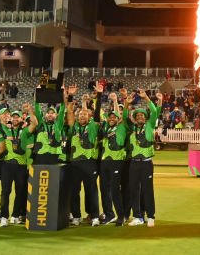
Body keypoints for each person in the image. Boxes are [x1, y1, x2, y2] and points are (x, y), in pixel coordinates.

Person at [0, 100, 30, 226]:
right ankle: (4, 216)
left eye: (16, 116)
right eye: (13, 116)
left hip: (22, 165)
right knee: (5, 191)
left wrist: (29, 112)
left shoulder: (24, 129)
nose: (14, 118)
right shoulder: (2, 128)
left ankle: (15, 215)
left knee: (20, 191)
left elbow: (34, 123)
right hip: (7, 165)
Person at [66, 85, 101, 226]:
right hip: (74, 163)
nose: (82, 116)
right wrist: (70, 96)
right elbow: (69, 112)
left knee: (91, 190)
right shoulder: (73, 127)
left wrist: (99, 94)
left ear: (89, 117)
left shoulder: (92, 127)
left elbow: (97, 114)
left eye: (85, 114)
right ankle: (76, 216)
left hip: (89, 162)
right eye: (80, 114)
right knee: (74, 191)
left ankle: (94, 216)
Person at [127, 89, 163, 226]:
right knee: (134, 190)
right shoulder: (132, 128)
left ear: (145, 118)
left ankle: (151, 216)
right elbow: (125, 115)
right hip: (134, 163)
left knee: (148, 189)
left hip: (146, 163)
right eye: (138, 116)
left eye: (142, 115)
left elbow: (154, 112)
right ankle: (137, 216)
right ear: (135, 118)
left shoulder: (149, 125)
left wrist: (146, 98)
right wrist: (127, 103)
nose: (140, 117)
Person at [99, 90, 128, 226]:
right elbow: (102, 116)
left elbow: (120, 115)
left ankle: (121, 216)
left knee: (115, 190)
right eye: (110, 117)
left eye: (114, 117)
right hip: (105, 162)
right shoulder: (106, 129)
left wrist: (116, 101)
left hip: (117, 162)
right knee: (104, 189)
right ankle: (109, 215)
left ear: (118, 119)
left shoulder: (121, 127)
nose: (111, 119)